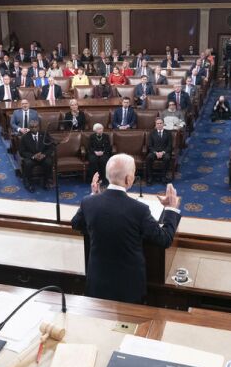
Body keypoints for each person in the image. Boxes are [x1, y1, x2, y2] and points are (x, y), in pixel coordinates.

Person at [71, 154, 181, 303]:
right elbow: (164, 239)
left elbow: (76, 224)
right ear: (129, 179)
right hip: (128, 286)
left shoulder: (88, 202)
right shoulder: (139, 210)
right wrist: (171, 209)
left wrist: (93, 195)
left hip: (97, 280)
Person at [19, 120, 53, 192]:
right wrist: (33, 156)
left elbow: (50, 147)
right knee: (27, 164)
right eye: (32, 127)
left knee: (49, 162)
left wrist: (44, 154)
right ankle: (29, 183)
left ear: (39, 127)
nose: (34, 128)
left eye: (36, 127)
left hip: (43, 156)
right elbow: (22, 152)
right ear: (29, 128)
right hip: (31, 157)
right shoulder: (24, 137)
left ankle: (46, 181)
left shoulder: (44, 134)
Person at [145, 119, 173, 184]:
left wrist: (163, 152)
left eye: (161, 123)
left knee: (167, 158)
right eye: (158, 123)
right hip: (154, 152)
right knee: (149, 157)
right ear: (155, 125)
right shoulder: (152, 133)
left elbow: (169, 146)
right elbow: (150, 146)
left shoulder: (168, 133)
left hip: (164, 152)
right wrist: (155, 152)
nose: (159, 125)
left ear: (163, 124)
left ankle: (163, 177)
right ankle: (150, 177)